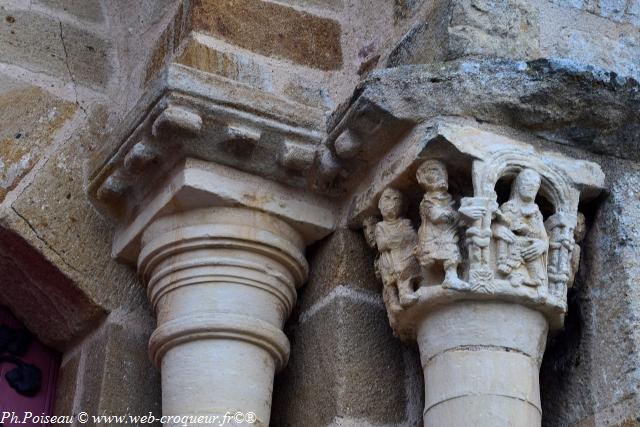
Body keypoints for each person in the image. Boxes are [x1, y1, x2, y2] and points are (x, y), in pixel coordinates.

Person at [493, 169, 549, 287]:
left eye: (535, 186)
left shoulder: (536, 212)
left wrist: (542, 245)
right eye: (527, 184)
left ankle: (536, 281)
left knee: (533, 245)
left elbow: (543, 238)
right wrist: (497, 229)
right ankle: (508, 270)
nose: (531, 188)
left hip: (529, 252)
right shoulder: (509, 207)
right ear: (518, 185)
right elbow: (499, 224)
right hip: (510, 250)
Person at [415, 160, 465, 289]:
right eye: (434, 170)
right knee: (440, 254)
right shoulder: (427, 200)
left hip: (448, 232)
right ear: (423, 178)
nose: (441, 174)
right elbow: (436, 216)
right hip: (433, 236)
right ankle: (436, 279)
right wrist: (456, 215)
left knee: (452, 251)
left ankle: (451, 277)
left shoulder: (447, 199)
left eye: (443, 171)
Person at [375, 187, 420, 307]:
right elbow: (381, 245)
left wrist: (401, 239)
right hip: (390, 259)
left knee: (408, 266)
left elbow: (413, 238)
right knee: (399, 269)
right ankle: (396, 299)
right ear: (379, 204)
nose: (392, 203)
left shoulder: (405, 223)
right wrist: (399, 238)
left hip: (405, 254)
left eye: (396, 199)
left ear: (403, 207)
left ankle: (407, 291)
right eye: (387, 198)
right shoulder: (381, 226)